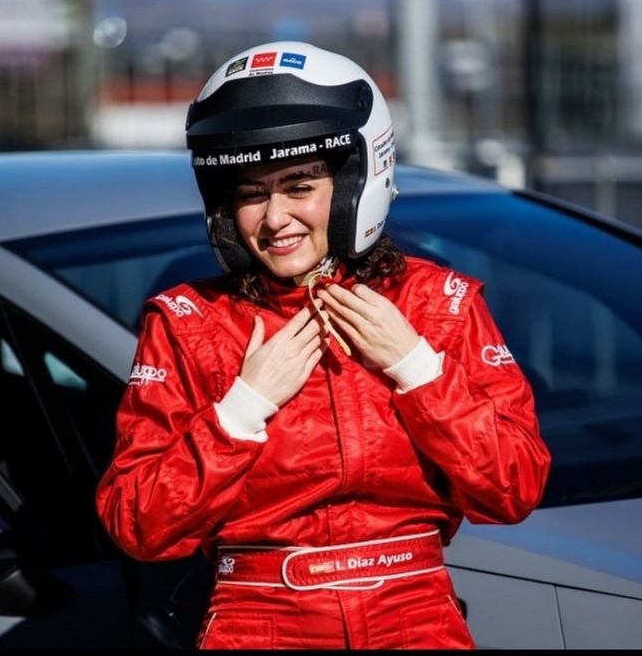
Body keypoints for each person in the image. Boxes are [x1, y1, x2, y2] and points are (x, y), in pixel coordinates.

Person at [95, 41, 551, 650]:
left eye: (299, 184)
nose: (275, 217)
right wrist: (242, 409)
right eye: (252, 192)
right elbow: (138, 523)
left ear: (358, 178)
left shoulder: (438, 303)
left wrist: (417, 367)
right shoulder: (188, 322)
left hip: (416, 618)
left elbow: (514, 488)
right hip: (259, 620)